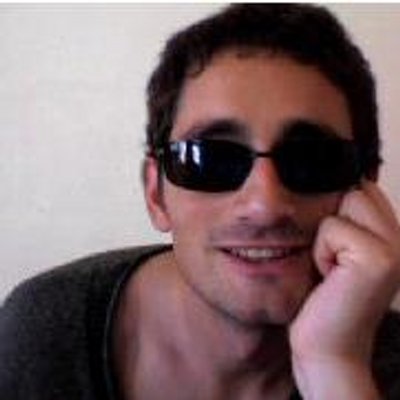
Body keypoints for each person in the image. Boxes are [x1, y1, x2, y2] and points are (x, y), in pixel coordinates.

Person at [1, 3, 400, 400]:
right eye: (212, 158)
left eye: (312, 159)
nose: (264, 205)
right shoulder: (43, 332)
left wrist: (333, 367)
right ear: (156, 194)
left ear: (367, 187)